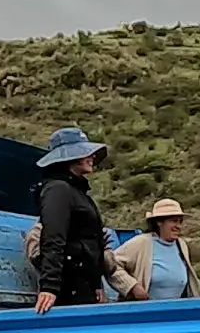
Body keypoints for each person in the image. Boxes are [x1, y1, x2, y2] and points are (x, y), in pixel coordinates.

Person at [31, 126, 135, 311]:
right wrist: (49, 287)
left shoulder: (77, 192)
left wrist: (96, 284)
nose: (92, 157)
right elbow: (53, 238)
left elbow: (93, 243)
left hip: (83, 286)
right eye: (84, 152)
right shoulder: (58, 190)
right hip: (69, 287)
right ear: (69, 157)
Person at [112, 199, 200, 300]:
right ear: (159, 222)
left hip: (174, 311)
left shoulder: (181, 245)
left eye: (180, 221)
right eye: (174, 221)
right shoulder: (141, 243)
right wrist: (132, 287)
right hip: (145, 311)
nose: (178, 226)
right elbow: (111, 263)